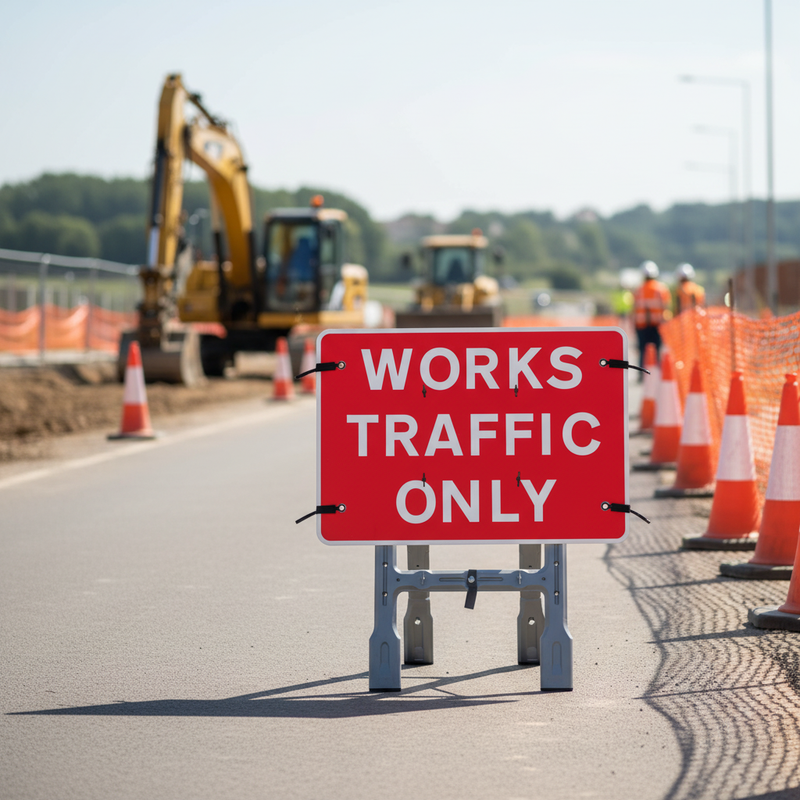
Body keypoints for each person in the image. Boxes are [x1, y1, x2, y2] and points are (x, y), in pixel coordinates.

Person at [633, 260, 671, 370]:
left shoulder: (639, 289)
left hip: (641, 325)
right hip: (657, 324)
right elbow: (666, 307)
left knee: (642, 351)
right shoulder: (662, 289)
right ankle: (658, 371)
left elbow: (634, 308)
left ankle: (641, 372)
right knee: (657, 350)